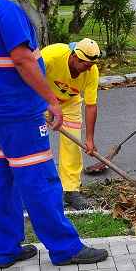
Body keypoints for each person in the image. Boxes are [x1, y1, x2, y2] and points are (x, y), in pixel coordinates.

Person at [0, 0, 108, 268]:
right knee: (39, 178)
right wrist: (50, 101)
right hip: (16, 111)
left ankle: (5, 249)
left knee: (1, 178)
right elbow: (24, 60)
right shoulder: (8, 11)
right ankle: (65, 248)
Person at [41, 38, 101, 210]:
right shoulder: (51, 55)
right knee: (35, 140)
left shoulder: (91, 71)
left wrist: (89, 139)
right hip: (41, 98)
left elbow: (91, 106)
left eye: (91, 65)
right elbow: (29, 77)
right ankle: (37, 188)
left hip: (69, 102)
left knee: (73, 144)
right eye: (85, 64)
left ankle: (71, 190)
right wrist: (48, 105)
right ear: (74, 56)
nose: (88, 69)